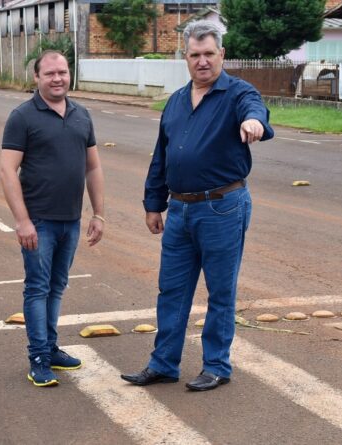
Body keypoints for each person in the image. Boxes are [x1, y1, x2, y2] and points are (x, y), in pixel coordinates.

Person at [120, 20, 274, 391]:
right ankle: (163, 364)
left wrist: (254, 123)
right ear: (185, 57)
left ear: (221, 54)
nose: (202, 61)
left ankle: (216, 365)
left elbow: (257, 112)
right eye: (195, 55)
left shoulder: (238, 94)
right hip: (179, 210)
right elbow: (163, 156)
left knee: (220, 291)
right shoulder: (175, 101)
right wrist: (153, 203)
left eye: (209, 54)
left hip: (222, 207)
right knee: (171, 290)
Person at [0, 50, 105, 387]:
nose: (57, 78)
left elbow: (93, 166)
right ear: (37, 78)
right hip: (39, 222)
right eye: (50, 74)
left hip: (70, 220)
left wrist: (98, 213)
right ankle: (39, 358)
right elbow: (7, 170)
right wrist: (22, 220)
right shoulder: (23, 116)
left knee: (57, 286)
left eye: (62, 72)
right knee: (37, 288)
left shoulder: (81, 114)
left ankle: (51, 347)